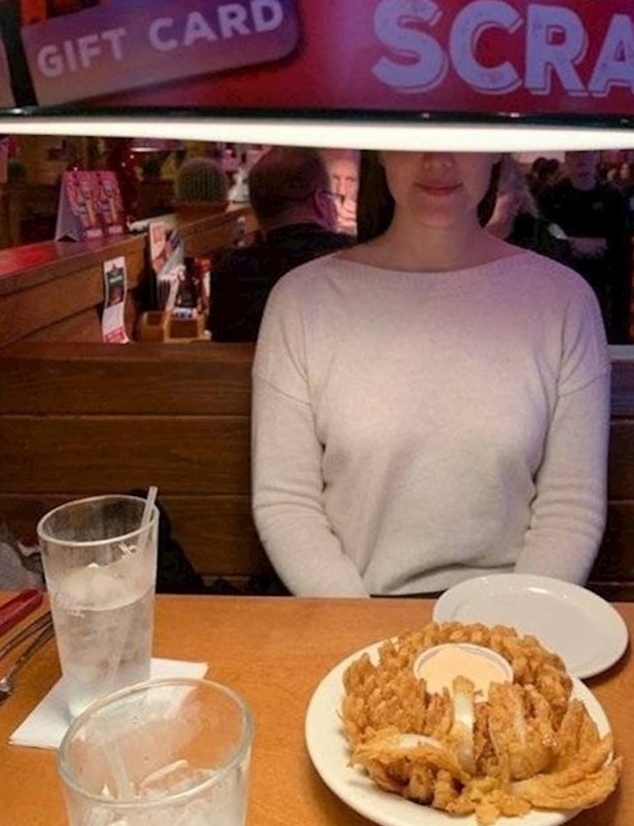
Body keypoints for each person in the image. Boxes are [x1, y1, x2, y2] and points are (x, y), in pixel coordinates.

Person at [252, 151, 610, 597]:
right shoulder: (300, 299)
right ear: (381, 152)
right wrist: (361, 630)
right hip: (356, 613)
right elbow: (287, 502)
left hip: (515, 615)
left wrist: (514, 624)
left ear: (496, 151)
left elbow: (570, 507)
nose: (438, 162)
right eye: (412, 138)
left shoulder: (564, 299)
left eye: (463, 137)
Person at [207, 147, 353, 342]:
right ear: (320, 202)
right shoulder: (357, 259)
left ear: (258, 211)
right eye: (331, 198)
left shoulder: (228, 272)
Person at [538, 151, 632, 342]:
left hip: (603, 279)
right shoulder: (550, 196)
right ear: (566, 159)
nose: (581, 159)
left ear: (596, 158)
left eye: (586, 153)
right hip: (561, 279)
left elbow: (623, 240)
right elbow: (541, 236)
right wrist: (573, 244)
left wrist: (605, 244)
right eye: (574, 154)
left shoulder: (613, 196)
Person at [486, 155, 572, 264]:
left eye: (498, 193)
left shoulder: (545, 239)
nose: (486, 202)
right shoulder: (466, 242)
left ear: (517, 200)